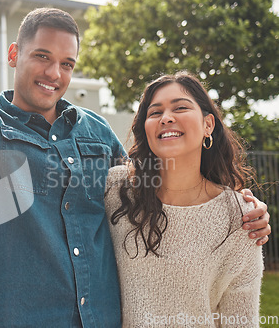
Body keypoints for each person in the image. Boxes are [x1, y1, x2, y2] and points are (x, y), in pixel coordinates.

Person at [0, 6, 271, 327]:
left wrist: (239, 206)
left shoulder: (96, 130)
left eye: (66, 63)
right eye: (42, 56)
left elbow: (148, 195)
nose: (54, 74)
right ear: (13, 54)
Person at [105, 72, 264, 327]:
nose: (166, 118)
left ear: (208, 125)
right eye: (155, 113)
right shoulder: (116, 190)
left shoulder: (242, 217)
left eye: (180, 107)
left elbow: (240, 321)